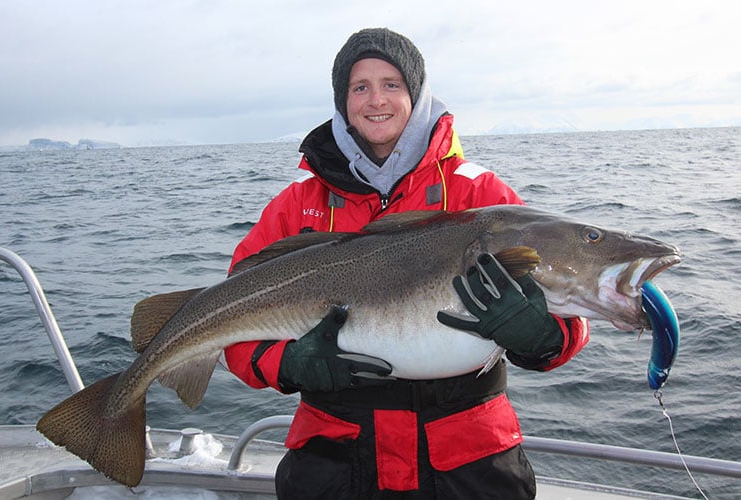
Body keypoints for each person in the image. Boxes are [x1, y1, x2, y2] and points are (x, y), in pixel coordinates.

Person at [223, 28, 589, 499]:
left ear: (416, 95)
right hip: (334, 462)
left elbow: (569, 318)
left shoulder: (477, 196)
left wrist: (540, 337)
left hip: (468, 466)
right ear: (343, 100)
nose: (377, 100)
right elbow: (228, 320)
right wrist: (288, 364)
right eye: (360, 87)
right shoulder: (297, 205)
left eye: (392, 84)